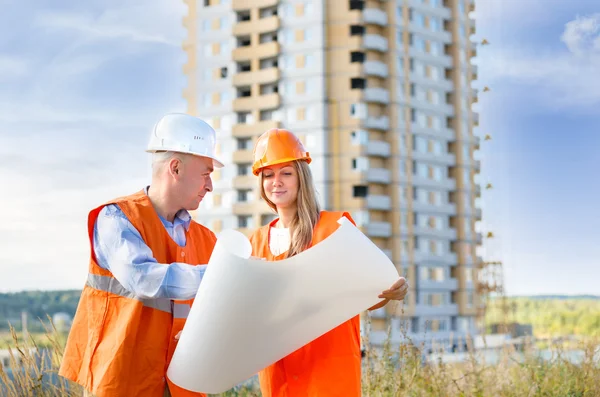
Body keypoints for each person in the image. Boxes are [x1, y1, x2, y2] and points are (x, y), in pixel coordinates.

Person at [59, 113, 223, 397]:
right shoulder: (117, 218)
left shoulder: (207, 240)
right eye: (206, 174)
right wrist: (224, 275)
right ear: (176, 168)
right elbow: (144, 278)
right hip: (122, 383)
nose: (210, 186)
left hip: (182, 387)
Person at [248, 128, 409, 397]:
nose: (276, 181)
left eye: (286, 173)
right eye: (268, 175)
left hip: (329, 375)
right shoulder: (256, 241)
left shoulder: (336, 228)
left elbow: (367, 292)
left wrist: (392, 291)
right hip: (279, 377)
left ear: (301, 177)